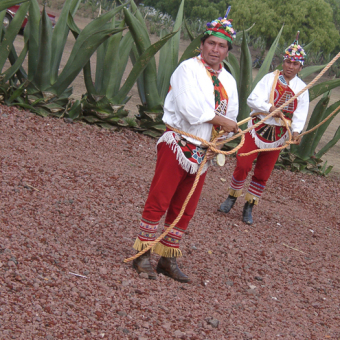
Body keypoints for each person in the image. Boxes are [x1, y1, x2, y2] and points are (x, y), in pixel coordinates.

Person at [132, 10, 239, 283]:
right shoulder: (187, 69)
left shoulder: (229, 80)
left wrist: (223, 138)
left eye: (221, 45)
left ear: (228, 51)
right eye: (211, 43)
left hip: (204, 151)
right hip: (178, 143)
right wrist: (223, 122)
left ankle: (167, 259)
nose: (215, 49)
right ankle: (142, 254)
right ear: (202, 45)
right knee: (160, 198)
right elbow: (191, 110)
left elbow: (232, 114)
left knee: (185, 206)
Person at [219, 32, 309, 225]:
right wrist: (270, 109)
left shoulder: (302, 89)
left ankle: (249, 205)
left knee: (263, 172)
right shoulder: (269, 79)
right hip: (257, 128)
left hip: (278, 135)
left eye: (295, 64)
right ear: (283, 62)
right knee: (243, 163)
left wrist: (296, 132)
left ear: (300, 67)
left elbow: (300, 113)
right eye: (288, 62)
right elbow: (252, 99)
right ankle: (232, 197)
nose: (290, 67)